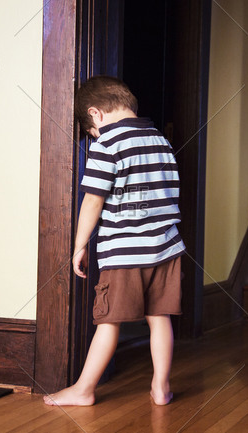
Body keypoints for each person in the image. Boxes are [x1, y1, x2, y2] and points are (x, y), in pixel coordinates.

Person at [43, 75, 185, 407]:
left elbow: (93, 200)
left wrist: (80, 244)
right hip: (166, 248)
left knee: (109, 321)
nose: (94, 137)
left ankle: (83, 389)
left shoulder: (107, 144)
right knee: (159, 318)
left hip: (124, 252)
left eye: (91, 131)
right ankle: (161, 388)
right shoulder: (161, 140)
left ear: (96, 115)